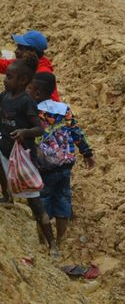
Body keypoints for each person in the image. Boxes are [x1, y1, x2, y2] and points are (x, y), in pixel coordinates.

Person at [0, 61, 59, 257]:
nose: (5, 79)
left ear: (23, 80)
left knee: (34, 201)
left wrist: (24, 132)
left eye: (9, 77)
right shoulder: (4, 96)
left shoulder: (26, 102)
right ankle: (7, 197)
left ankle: (52, 244)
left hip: (23, 156)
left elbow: (39, 129)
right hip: (5, 148)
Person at [28, 72, 95, 244]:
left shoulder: (33, 112)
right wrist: (87, 153)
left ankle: (44, 241)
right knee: (63, 200)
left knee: (43, 201)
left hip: (44, 166)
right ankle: (61, 239)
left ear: (36, 93)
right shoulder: (63, 108)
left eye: (29, 88)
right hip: (65, 164)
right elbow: (76, 132)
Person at [0, 30, 60, 101]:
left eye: (20, 48)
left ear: (32, 52)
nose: (16, 51)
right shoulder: (22, 64)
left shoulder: (43, 75)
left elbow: (52, 104)